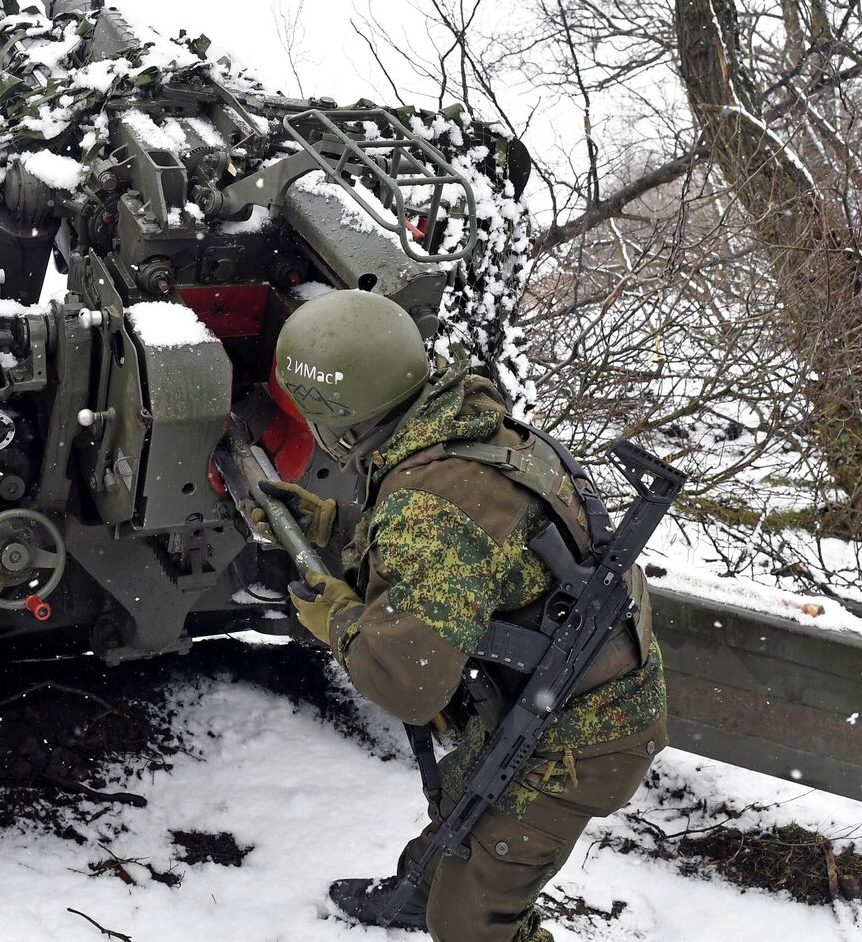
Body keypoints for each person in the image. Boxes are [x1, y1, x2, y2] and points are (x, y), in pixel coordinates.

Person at [269, 290, 667, 942]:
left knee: (473, 920)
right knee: (467, 799)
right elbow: (457, 558)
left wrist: (338, 620)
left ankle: (449, 907)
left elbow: (408, 681)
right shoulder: (460, 432)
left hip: (584, 733)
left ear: (340, 418)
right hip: (560, 688)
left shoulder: (429, 503)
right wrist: (328, 524)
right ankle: (418, 891)